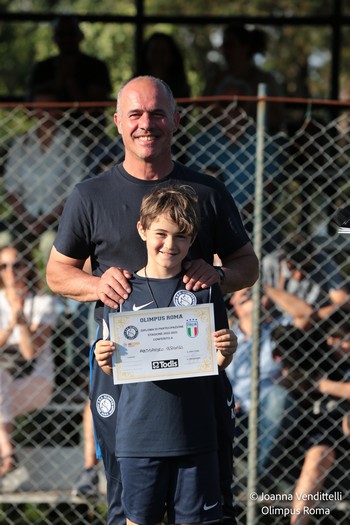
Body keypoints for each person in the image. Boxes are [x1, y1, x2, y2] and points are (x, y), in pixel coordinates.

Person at [46, 75, 259, 525]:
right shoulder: (91, 195)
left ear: (176, 121)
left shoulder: (208, 191)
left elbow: (248, 266)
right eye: (137, 115)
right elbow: (57, 273)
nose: (148, 124)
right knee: (130, 512)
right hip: (124, 378)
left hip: (196, 384)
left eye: (158, 113)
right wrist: (96, 285)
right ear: (119, 122)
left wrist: (219, 273)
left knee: (207, 511)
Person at [94, 185, 237, 524]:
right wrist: (104, 359)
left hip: (195, 436)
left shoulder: (202, 290)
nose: (170, 245)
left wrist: (225, 353)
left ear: (192, 239)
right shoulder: (119, 292)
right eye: (161, 233)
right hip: (139, 439)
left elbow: (215, 364)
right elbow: (112, 371)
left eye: (181, 236)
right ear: (142, 230)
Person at [271, 310, 350, 525]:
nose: (342, 345)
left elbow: (319, 384)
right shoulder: (319, 358)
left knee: (321, 452)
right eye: (336, 339)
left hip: (338, 425)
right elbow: (292, 377)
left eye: (347, 340)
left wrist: (325, 385)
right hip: (311, 426)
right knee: (317, 451)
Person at [3, 82, 86, 265]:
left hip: (60, 217)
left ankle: (51, 293)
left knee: (50, 244)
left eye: (50, 108)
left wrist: (47, 219)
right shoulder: (22, 143)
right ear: (32, 111)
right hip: (25, 215)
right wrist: (26, 218)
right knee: (3, 240)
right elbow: (11, 187)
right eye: (39, 108)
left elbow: (76, 189)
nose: (44, 114)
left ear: (59, 111)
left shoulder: (71, 144)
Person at [224, 287, 296, 489]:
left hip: (265, 409)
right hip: (234, 408)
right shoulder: (224, 333)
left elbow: (303, 315)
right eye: (244, 294)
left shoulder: (278, 331)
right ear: (234, 303)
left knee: (279, 396)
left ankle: (255, 481)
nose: (250, 296)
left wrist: (264, 287)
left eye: (254, 293)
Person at [0, 243, 58, 478]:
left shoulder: (45, 303)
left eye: (17, 265)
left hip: (36, 381)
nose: (11, 272)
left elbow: (29, 352)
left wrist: (20, 317)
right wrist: (12, 322)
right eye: (3, 266)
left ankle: (6, 455)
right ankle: (7, 453)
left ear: (28, 267)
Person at [28, 14, 112, 142]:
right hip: (50, 133)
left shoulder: (95, 67)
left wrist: (69, 79)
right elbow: (32, 105)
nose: (66, 39)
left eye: (71, 34)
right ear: (55, 38)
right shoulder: (42, 68)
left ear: (80, 36)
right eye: (61, 35)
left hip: (88, 132)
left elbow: (94, 110)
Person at [203, 23, 285, 133]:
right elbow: (203, 118)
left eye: (230, 45)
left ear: (245, 47)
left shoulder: (265, 80)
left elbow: (277, 119)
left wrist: (247, 109)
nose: (225, 51)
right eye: (224, 46)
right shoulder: (215, 79)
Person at [135, 32, 191, 99]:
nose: (158, 57)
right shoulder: (134, 85)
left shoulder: (180, 87)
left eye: (163, 52)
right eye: (154, 51)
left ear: (172, 56)